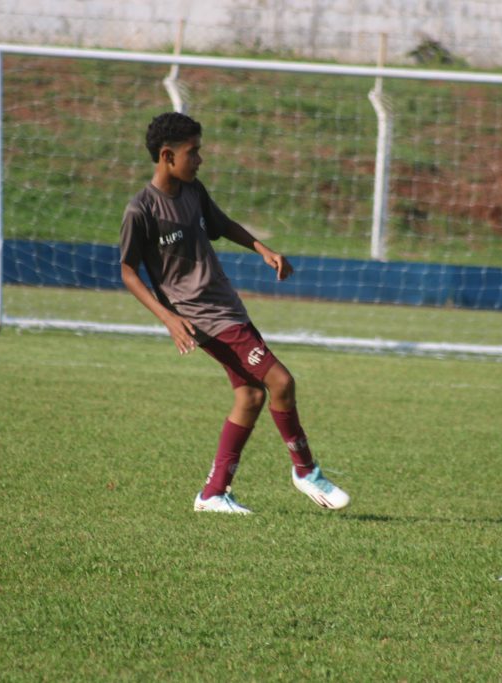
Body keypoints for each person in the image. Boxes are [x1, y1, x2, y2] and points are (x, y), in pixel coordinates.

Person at [119, 112, 350, 514]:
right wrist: (169, 318)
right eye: (193, 152)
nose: (200, 159)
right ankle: (305, 471)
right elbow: (127, 271)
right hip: (202, 317)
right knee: (281, 381)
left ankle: (213, 493)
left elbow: (221, 224)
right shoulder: (141, 210)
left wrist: (263, 250)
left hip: (226, 306)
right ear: (167, 155)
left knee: (249, 395)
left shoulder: (193, 191)